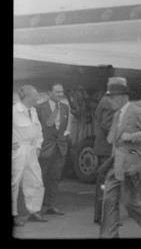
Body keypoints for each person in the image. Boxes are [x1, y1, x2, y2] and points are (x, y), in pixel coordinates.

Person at [100, 77, 141, 238]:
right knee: (109, 200)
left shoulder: (136, 111)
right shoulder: (117, 114)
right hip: (116, 166)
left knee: (131, 203)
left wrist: (132, 136)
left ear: (122, 97)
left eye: (112, 98)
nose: (110, 101)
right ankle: (110, 235)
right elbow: (112, 139)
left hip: (132, 167)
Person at [12, 85, 48, 226]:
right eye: (35, 96)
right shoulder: (14, 111)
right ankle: (14, 215)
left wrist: (38, 146)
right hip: (18, 150)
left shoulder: (33, 111)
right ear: (26, 97)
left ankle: (34, 211)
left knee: (35, 180)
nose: (37, 98)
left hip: (32, 150)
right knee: (14, 184)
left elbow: (38, 131)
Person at [36, 83, 71, 216]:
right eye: (57, 92)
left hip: (59, 148)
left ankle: (51, 205)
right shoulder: (40, 108)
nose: (60, 94)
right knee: (42, 177)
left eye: (62, 92)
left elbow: (62, 129)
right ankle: (38, 207)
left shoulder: (65, 108)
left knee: (55, 177)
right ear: (49, 93)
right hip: (45, 147)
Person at [93, 84, 119, 224]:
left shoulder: (105, 99)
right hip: (107, 149)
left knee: (104, 183)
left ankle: (100, 215)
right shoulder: (110, 102)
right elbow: (107, 125)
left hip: (103, 148)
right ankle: (104, 216)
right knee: (106, 184)